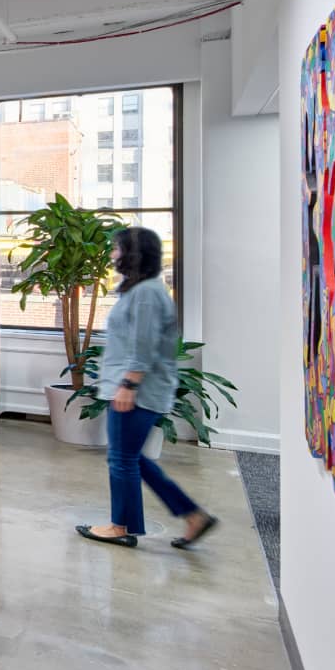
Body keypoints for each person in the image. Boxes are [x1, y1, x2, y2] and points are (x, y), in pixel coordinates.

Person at [76, 227, 218, 549]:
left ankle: (120, 527)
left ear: (133, 254)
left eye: (117, 249)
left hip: (138, 391)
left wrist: (128, 385)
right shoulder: (140, 290)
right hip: (134, 387)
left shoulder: (147, 294)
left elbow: (144, 345)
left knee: (122, 459)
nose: (113, 255)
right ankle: (192, 515)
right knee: (130, 458)